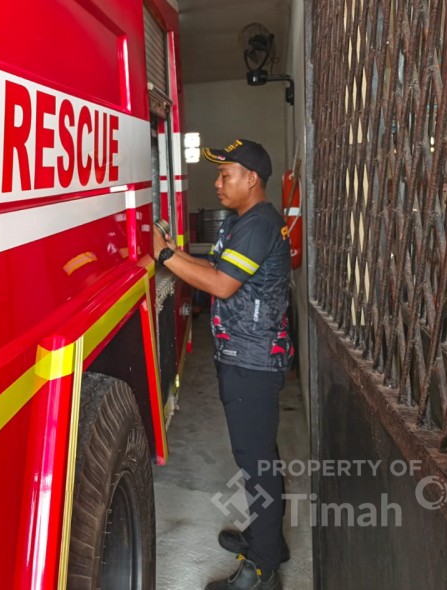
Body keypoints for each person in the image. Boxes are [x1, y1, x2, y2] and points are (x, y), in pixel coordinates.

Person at [153, 138, 292, 590]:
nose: (217, 183)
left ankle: (262, 567)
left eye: (225, 174)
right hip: (245, 355)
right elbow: (213, 266)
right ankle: (268, 540)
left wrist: (164, 255)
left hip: (252, 362)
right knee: (259, 455)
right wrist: (171, 253)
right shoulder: (245, 221)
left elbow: (221, 284)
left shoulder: (257, 224)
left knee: (256, 462)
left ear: (251, 179)